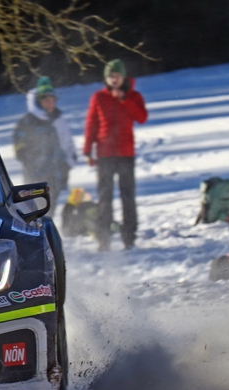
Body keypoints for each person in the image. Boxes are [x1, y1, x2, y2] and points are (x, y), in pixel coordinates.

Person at [82, 59, 148, 251]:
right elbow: (91, 124)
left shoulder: (134, 96)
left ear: (123, 77)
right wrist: (87, 150)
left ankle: (129, 237)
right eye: (111, 76)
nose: (114, 80)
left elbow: (142, 117)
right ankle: (104, 238)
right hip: (104, 154)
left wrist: (124, 99)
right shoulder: (98, 97)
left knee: (128, 196)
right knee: (105, 197)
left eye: (117, 76)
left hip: (126, 153)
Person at [12, 77, 78, 202]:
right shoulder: (27, 122)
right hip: (35, 177)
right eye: (46, 100)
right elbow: (19, 147)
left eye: (52, 100)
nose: (50, 103)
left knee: (52, 206)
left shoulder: (59, 120)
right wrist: (32, 162)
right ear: (39, 102)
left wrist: (67, 164)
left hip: (56, 175)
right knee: (37, 208)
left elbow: (68, 145)